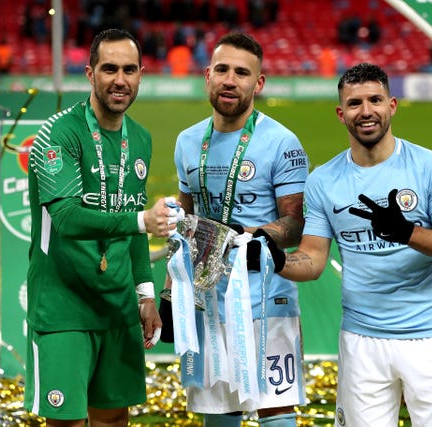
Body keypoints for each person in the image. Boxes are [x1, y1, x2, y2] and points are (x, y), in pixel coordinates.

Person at [269, 62, 432, 426]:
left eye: (375, 100)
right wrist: (276, 261)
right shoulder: (323, 180)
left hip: (429, 337)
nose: (366, 111)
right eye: (355, 103)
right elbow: (312, 259)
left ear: (392, 105)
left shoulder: (430, 166)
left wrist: (406, 231)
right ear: (340, 113)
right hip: (361, 341)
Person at [24, 28, 184, 427]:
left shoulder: (140, 139)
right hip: (64, 307)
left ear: (141, 75)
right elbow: (66, 219)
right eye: (109, 68)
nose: (120, 79)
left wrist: (145, 294)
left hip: (117, 307)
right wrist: (142, 220)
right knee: (68, 423)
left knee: (113, 419)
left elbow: (129, 224)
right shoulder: (58, 135)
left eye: (129, 70)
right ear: (90, 73)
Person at [158, 32, 309, 427]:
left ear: (258, 83)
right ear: (207, 75)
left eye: (242, 72)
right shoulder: (188, 142)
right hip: (206, 300)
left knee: (275, 407)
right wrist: (170, 293)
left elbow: (294, 224)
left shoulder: (282, 142)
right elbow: (184, 225)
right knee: (217, 411)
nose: (230, 80)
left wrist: (249, 233)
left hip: (265, 297)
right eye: (222, 69)